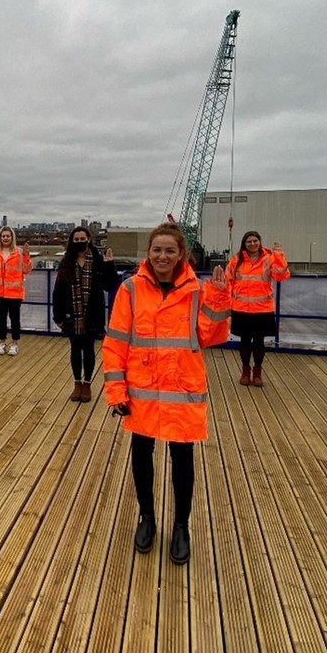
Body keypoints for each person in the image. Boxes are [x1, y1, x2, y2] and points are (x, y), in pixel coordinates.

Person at [102, 219, 230, 565]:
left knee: (182, 460)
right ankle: (147, 517)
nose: (162, 255)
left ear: (181, 254)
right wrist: (116, 390)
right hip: (141, 390)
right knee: (141, 456)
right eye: (157, 249)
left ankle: (181, 525)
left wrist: (218, 297)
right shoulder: (130, 289)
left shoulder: (197, 290)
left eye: (169, 250)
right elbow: (115, 343)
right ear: (149, 252)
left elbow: (210, 337)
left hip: (181, 388)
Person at [52, 226, 116, 402]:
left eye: (83, 239)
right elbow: (57, 291)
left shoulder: (97, 260)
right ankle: (77, 383)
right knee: (75, 350)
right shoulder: (66, 262)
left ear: (89, 240)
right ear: (72, 241)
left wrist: (110, 264)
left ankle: (87, 384)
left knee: (88, 350)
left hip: (92, 315)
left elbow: (108, 285)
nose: (80, 242)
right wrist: (57, 316)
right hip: (71, 316)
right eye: (77, 239)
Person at [226, 231, 289, 387]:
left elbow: (282, 275)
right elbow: (228, 281)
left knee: (259, 342)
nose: (252, 244)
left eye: (255, 241)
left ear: (260, 242)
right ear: (244, 244)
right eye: (249, 241)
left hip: (262, 309)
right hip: (242, 308)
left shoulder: (269, 259)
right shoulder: (236, 260)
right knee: (245, 341)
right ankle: (245, 371)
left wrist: (279, 256)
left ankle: (258, 372)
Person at [0, 226, 32, 356]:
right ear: (0, 238)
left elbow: (27, 270)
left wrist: (27, 256)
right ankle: (2, 342)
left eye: (8, 236)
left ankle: (15, 344)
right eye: (3, 236)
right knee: (1, 319)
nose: (5, 238)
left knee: (14, 319)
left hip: (15, 293)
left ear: (12, 238)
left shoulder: (19, 253)